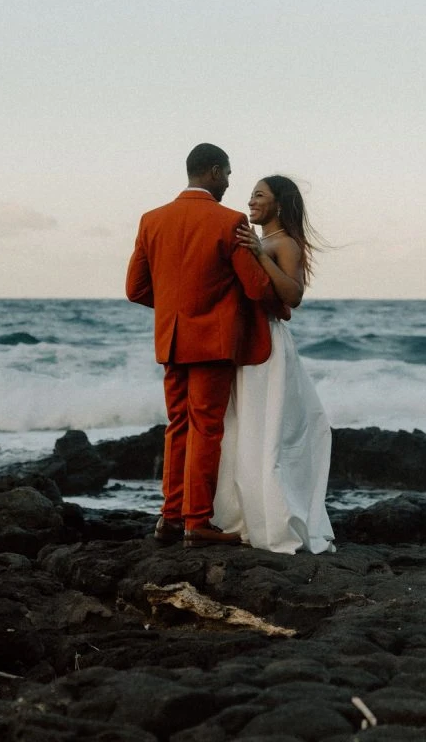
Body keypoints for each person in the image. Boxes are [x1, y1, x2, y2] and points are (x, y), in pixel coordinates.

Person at [125, 143, 276, 548]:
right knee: (206, 430)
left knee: (177, 427)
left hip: (172, 341)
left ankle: (169, 518)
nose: (229, 183)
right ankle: (197, 522)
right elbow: (256, 287)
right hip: (212, 343)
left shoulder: (151, 220)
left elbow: (135, 288)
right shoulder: (229, 222)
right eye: (227, 174)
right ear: (212, 171)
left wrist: (178, 306)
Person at [213, 175, 335, 554]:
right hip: (244, 342)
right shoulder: (258, 240)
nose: (251, 200)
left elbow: (293, 296)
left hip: (268, 344)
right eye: (250, 194)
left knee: (270, 430)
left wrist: (259, 256)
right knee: (244, 427)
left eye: (259, 195)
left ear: (279, 204)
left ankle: (276, 517)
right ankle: (243, 516)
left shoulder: (284, 244)